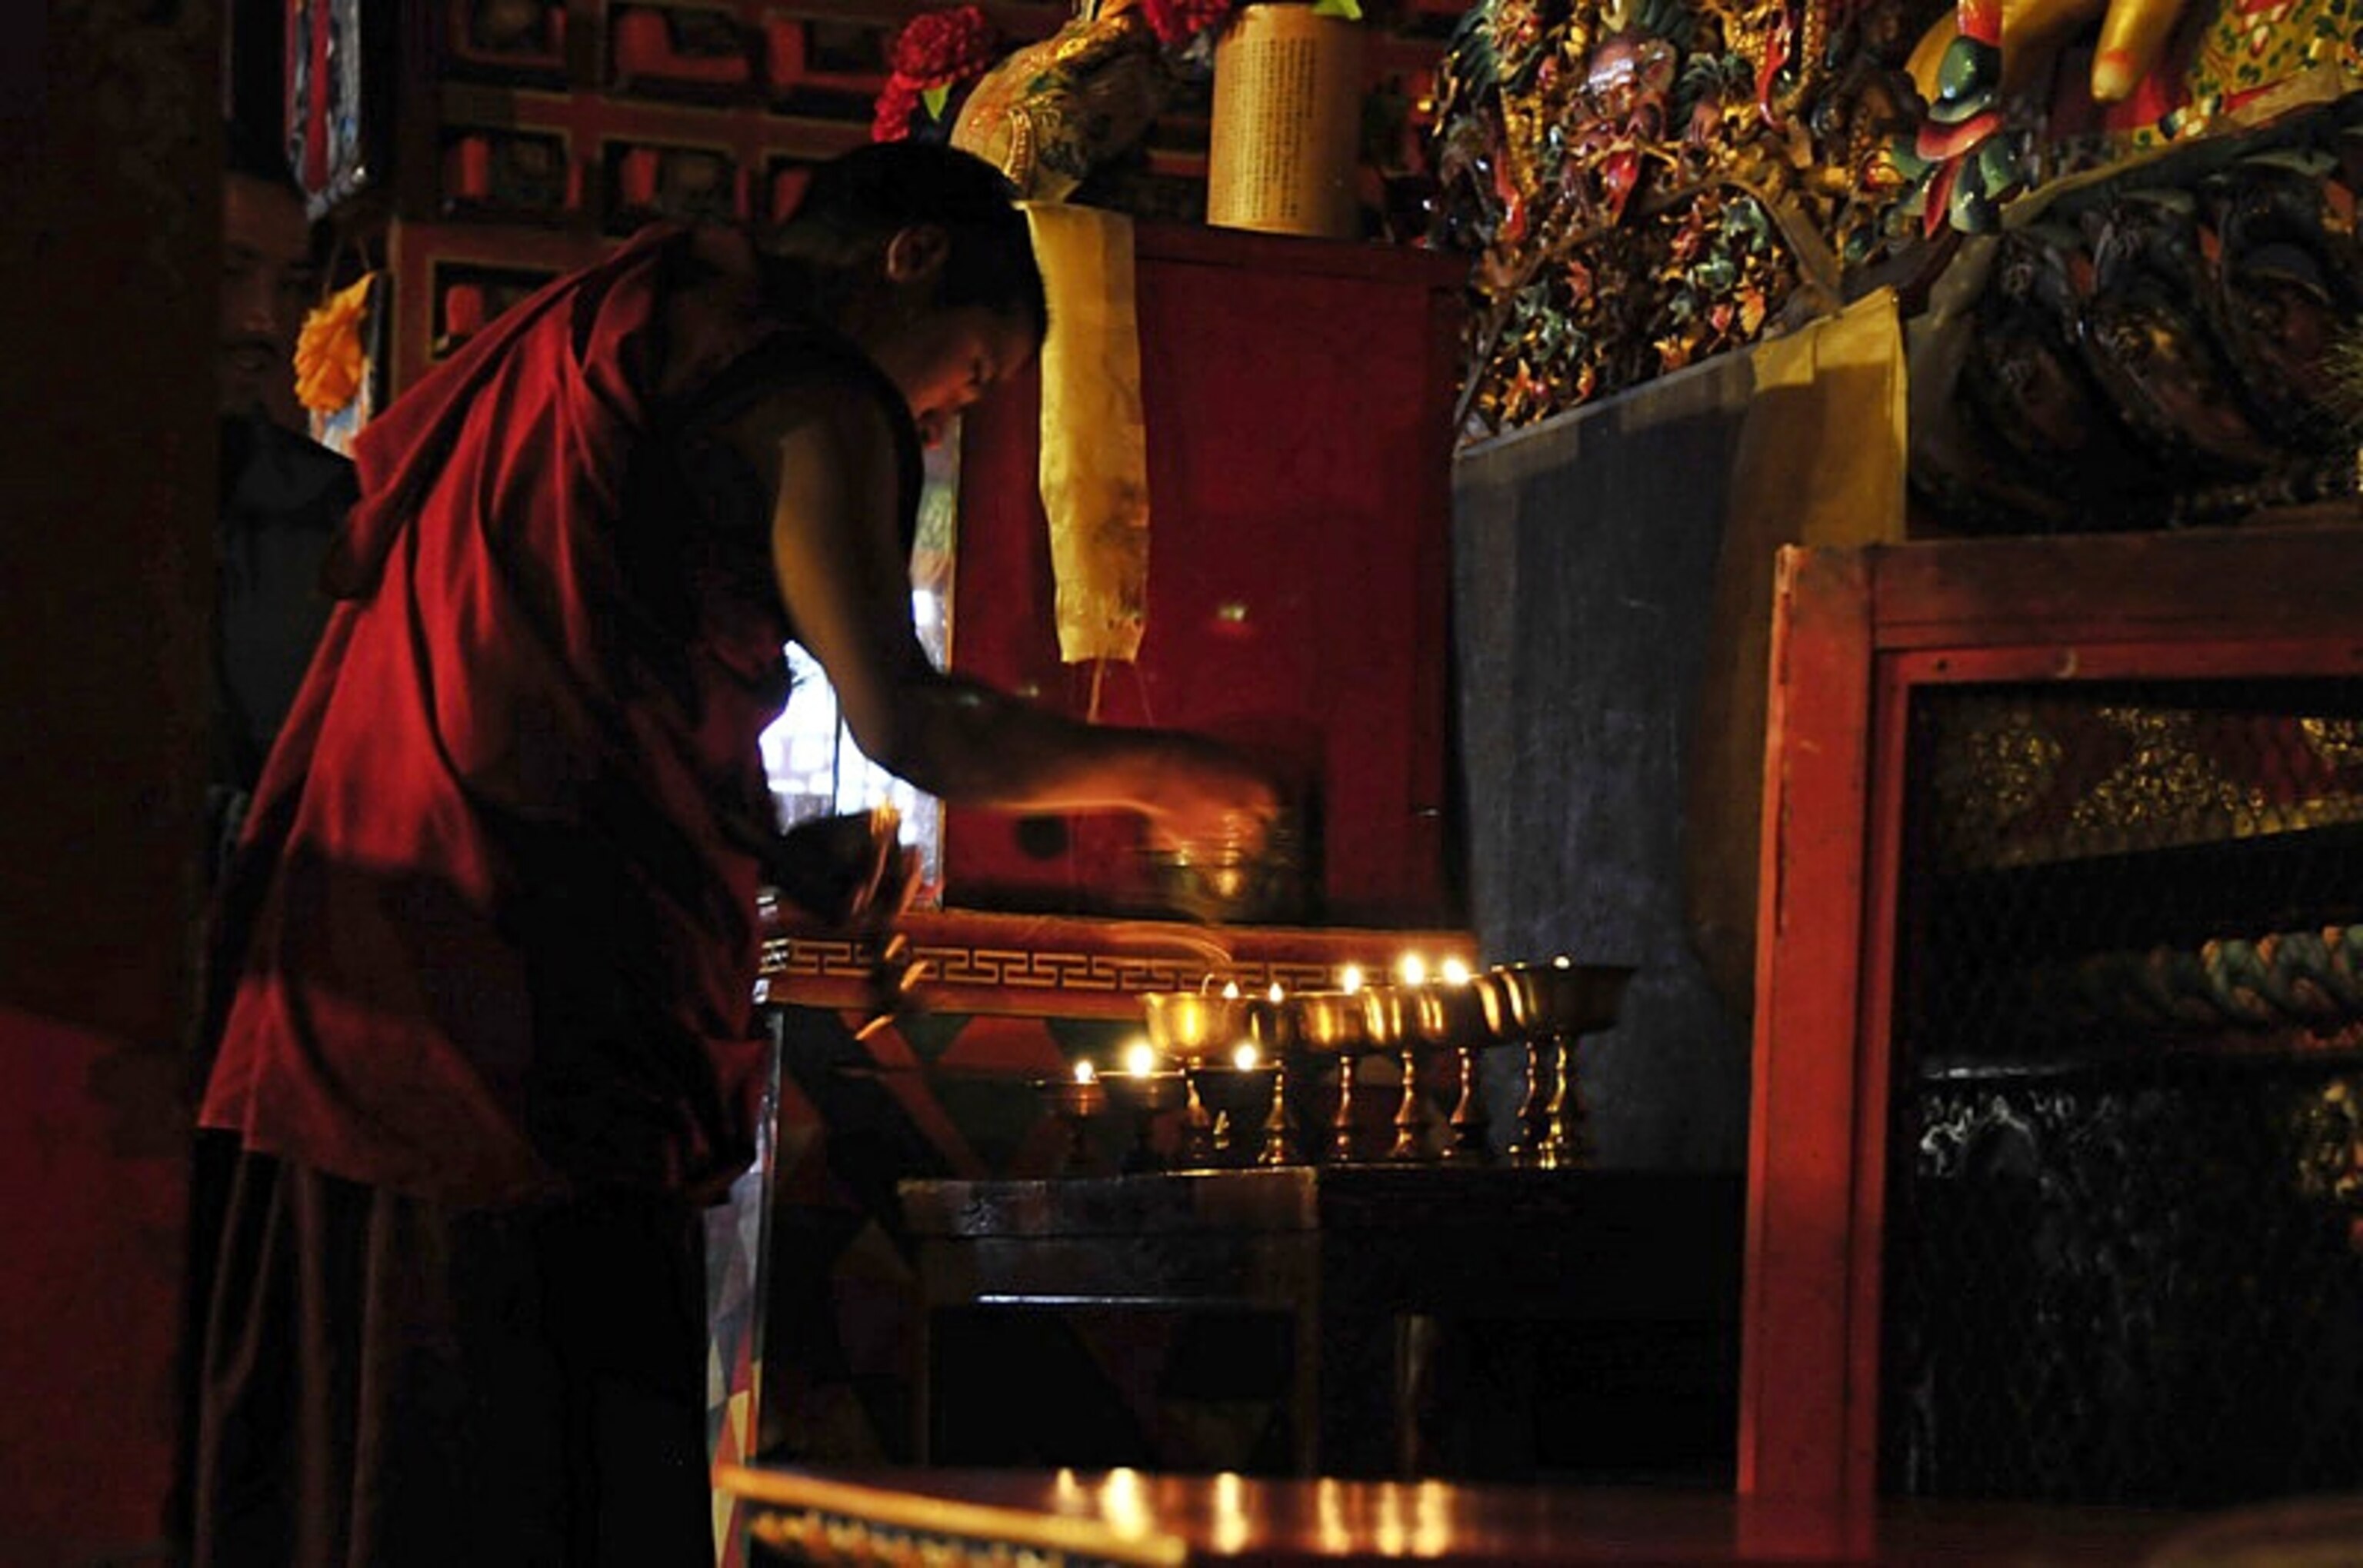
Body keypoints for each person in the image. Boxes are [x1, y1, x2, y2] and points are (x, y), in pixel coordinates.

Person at [178, 141, 1278, 1566]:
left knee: (394, 1417)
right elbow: (908, 716)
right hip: (524, 997)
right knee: (530, 1429)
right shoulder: (810, 389)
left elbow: (568, 687)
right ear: (911, 264)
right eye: (973, 378)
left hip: (362, 934)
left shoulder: (615, 322)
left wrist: (763, 843)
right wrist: (1164, 770)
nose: (943, 424)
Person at [210, 119, 356, 880]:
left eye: (291, 287)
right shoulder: (51, 492)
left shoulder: (337, 515)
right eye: (230, 273)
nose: (264, 321)